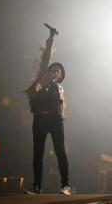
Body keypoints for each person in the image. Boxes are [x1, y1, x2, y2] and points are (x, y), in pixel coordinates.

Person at [24, 26, 70, 195]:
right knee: (38, 153)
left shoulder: (60, 89)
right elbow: (47, 56)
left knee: (60, 152)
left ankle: (65, 185)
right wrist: (51, 37)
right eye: (54, 68)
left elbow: (61, 107)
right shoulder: (43, 78)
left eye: (58, 71)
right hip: (40, 118)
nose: (55, 70)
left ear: (60, 76)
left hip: (55, 120)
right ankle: (37, 186)